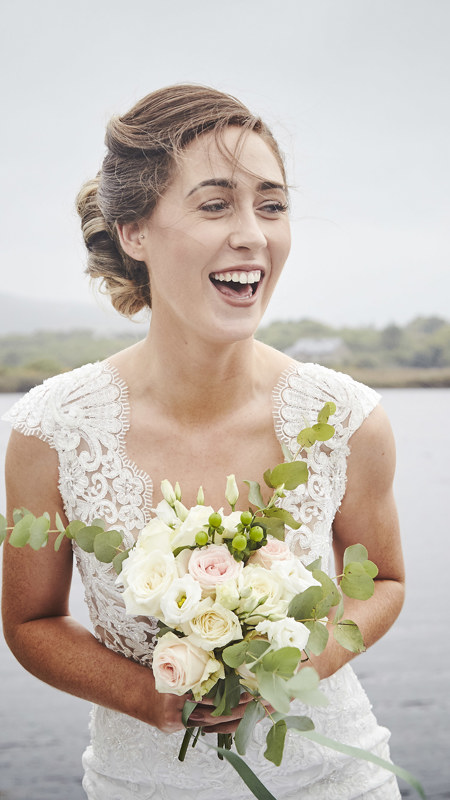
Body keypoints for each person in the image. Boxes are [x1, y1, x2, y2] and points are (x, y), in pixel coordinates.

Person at [1, 84, 405, 799]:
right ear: (134, 232)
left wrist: (296, 664)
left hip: (336, 778)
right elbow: (32, 621)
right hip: (140, 783)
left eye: (271, 205)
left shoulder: (345, 418)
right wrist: (149, 696)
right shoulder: (52, 430)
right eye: (215, 205)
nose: (252, 234)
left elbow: (384, 583)